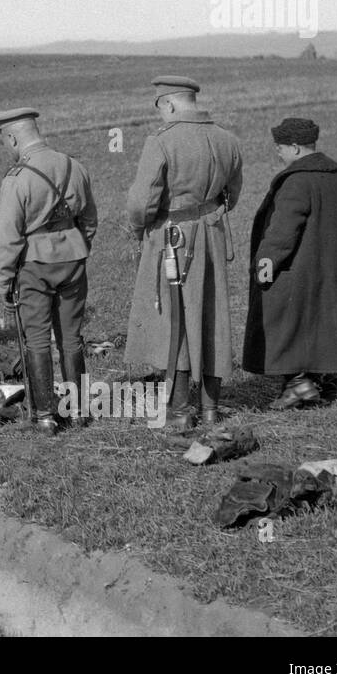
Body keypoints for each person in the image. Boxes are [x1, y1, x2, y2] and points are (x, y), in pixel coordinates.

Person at [125, 75, 242, 429]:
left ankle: (178, 410)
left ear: (170, 104)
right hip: (212, 232)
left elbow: (141, 202)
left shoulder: (160, 142)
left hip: (172, 238)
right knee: (212, 315)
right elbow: (231, 195)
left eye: (162, 108)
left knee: (173, 318)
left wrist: (137, 228)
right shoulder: (228, 139)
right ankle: (209, 408)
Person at [0, 108, 97, 433]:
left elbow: (8, 239)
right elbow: (89, 221)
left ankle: (45, 416)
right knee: (72, 338)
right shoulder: (73, 166)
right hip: (73, 259)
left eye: (6, 142)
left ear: (12, 137)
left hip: (34, 265)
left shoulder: (17, 179)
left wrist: (3, 283)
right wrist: (77, 247)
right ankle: (78, 411)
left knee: (37, 339)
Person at [243, 118, 337, 408]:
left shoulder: (297, 182)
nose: (278, 153)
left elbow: (282, 233)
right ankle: (314, 381)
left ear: (295, 147)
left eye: (279, 147)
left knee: (285, 321)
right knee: (320, 322)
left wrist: (265, 263)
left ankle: (297, 383)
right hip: (331, 268)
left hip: (294, 270)